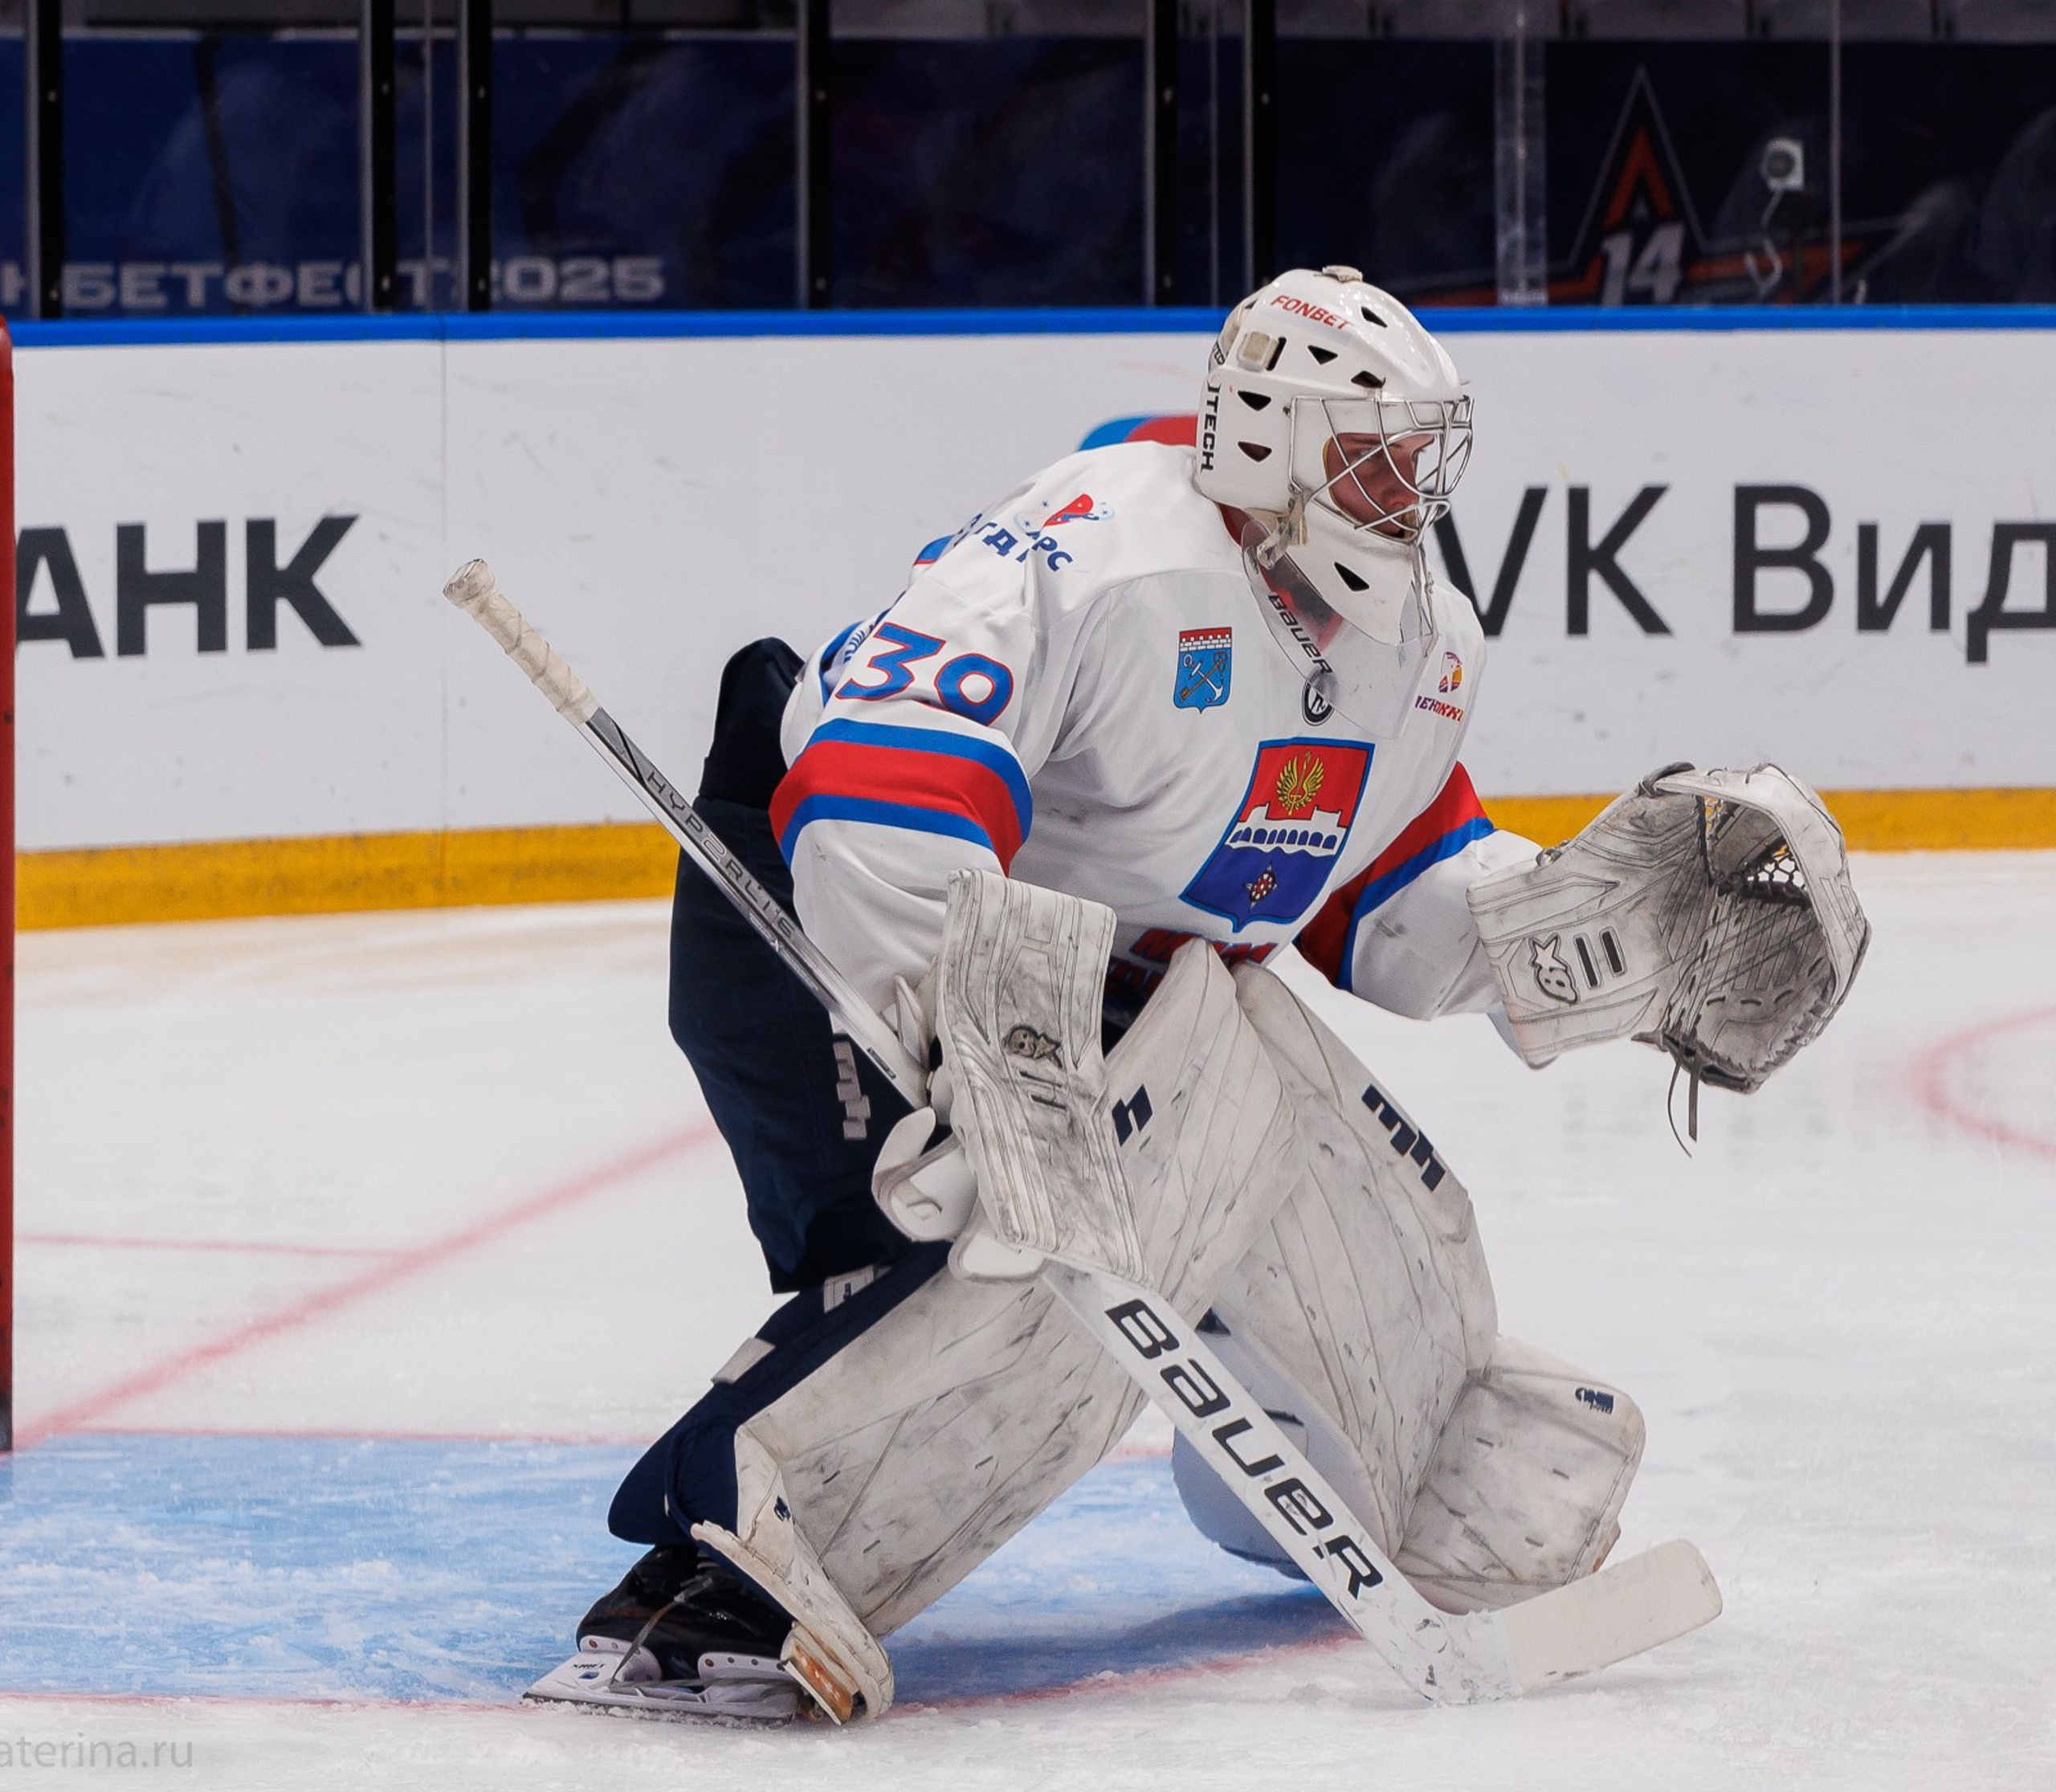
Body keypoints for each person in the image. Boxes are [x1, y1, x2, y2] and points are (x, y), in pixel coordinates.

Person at [563, 268, 1592, 1713]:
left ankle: (1378, 1471)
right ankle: (723, 1578)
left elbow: (1383, 895)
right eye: (1374, 451)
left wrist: (1574, 939)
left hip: (1107, 987)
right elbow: (878, 809)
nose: (1409, 492)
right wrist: (973, 1062)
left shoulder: (1415, 643)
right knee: (988, 1256)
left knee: (1285, 1172)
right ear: (1267, 441)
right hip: (824, 910)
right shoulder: (1102, 546)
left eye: (1422, 457)